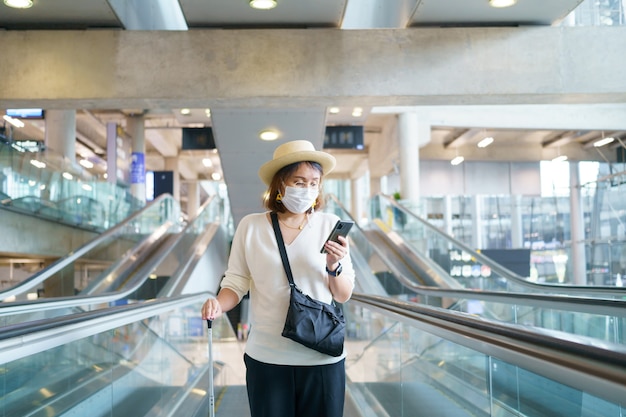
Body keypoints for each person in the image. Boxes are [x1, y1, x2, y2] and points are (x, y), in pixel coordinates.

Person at [201, 139, 355, 417]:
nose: (307, 189)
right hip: (267, 358)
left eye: (314, 182)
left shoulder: (329, 225)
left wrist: (334, 265)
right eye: (298, 181)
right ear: (280, 185)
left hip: (321, 358)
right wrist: (218, 304)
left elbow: (343, 295)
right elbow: (235, 282)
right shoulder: (251, 226)